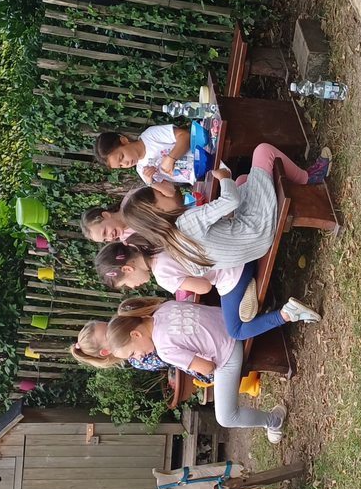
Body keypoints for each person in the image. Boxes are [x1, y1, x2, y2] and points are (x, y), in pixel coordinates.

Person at [120, 144, 330, 275]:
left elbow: (203, 265)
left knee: (243, 181)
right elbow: (231, 200)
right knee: (263, 151)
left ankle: (294, 192)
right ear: (156, 210)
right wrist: (224, 178)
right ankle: (309, 178)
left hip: (254, 249)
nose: (164, 192)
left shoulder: (173, 246)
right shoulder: (185, 222)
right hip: (258, 229)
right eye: (159, 195)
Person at [106, 299, 286, 441]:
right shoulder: (164, 308)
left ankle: (274, 420)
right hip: (230, 322)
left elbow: (208, 368)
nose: (139, 357)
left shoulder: (164, 350)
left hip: (228, 350)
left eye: (133, 353)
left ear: (136, 334)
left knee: (226, 417)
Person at [94, 241, 319, 338]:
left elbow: (204, 286)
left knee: (236, 331)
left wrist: (188, 286)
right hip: (236, 252)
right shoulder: (156, 242)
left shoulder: (163, 276)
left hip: (232, 273)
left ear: (127, 268)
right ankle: (246, 293)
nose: (133, 287)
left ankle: (287, 313)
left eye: (127, 283)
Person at [69, 314, 213, 386]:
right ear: (106, 352)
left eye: (108, 324)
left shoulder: (133, 323)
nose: (112, 329)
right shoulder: (140, 358)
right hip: (201, 359)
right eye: (107, 334)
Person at [94, 125, 193, 190]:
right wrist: (151, 182)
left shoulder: (150, 136)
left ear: (124, 141)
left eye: (122, 157)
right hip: (199, 178)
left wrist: (171, 158)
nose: (126, 164)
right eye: (121, 166)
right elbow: (171, 192)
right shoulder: (142, 170)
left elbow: (184, 135)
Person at [79, 187, 183, 244]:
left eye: (105, 232)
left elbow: (169, 191)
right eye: (105, 240)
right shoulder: (129, 241)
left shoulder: (132, 199)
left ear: (106, 215)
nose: (110, 238)